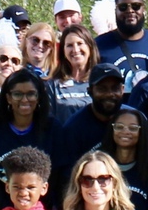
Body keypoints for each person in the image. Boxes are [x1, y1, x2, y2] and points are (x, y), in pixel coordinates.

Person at [0, 70, 55, 210]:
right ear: (8, 97)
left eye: (31, 94)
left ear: (39, 97)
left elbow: (59, 175)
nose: (25, 100)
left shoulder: (52, 128)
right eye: (18, 94)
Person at [51, 63, 127, 196]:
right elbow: (67, 179)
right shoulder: (74, 128)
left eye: (115, 88)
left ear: (123, 90)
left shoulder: (133, 120)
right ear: (90, 91)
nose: (110, 94)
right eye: (102, 89)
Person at [94, 0, 148, 81]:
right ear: (116, 11)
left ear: (143, 9)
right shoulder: (98, 45)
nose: (130, 10)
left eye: (136, 6)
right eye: (123, 7)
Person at [45, 25, 99, 124]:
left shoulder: (100, 81)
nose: (75, 49)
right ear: (63, 51)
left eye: (80, 43)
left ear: (90, 47)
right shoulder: (53, 86)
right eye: (69, 45)